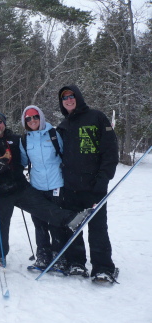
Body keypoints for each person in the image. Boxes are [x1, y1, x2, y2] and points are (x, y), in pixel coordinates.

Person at [0, 112, 89, 266]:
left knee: (44, 208)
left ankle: (71, 219)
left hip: (19, 187)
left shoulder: (17, 139)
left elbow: (28, 157)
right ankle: (1, 254)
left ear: (4, 123)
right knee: (0, 225)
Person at [57, 85, 119, 282]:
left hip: (94, 185)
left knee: (97, 227)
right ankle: (76, 262)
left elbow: (110, 151)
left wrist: (103, 178)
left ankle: (103, 267)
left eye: (71, 96)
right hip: (70, 186)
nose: (68, 100)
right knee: (72, 226)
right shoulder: (63, 125)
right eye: (64, 97)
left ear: (79, 97)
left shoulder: (97, 117)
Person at [19, 105, 68, 271]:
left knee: (56, 220)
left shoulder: (54, 134)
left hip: (56, 184)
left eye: (35, 117)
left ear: (41, 117)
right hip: (36, 185)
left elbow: (66, 154)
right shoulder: (25, 140)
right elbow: (23, 161)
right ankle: (43, 255)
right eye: (28, 118)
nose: (32, 120)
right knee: (39, 221)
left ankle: (59, 255)